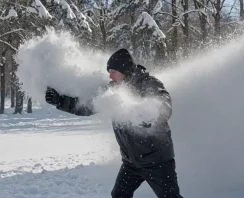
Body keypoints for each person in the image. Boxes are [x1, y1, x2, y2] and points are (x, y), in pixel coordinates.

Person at [45, 48, 184, 198]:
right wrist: (60, 100)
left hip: (157, 161)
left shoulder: (148, 83)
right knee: (119, 195)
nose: (109, 76)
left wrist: (150, 115)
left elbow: (164, 103)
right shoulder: (113, 89)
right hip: (131, 163)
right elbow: (87, 107)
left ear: (124, 70)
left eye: (113, 71)